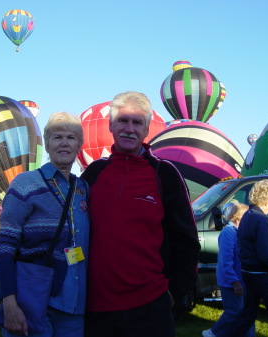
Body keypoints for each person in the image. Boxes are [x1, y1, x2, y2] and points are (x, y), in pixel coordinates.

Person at [81, 91, 200, 337]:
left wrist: (175, 294)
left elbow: (186, 239)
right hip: (97, 308)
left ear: (147, 130)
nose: (129, 129)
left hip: (150, 305)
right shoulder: (93, 174)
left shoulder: (164, 174)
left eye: (137, 123)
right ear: (111, 126)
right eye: (123, 121)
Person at [0, 111, 89, 337]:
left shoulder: (83, 189)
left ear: (79, 145)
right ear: (47, 145)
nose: (64, 143)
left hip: (74, 302)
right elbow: (6, 245)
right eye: (57, 137)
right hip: (35, 297)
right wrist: (8, 301)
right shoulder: (25, 183)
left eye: (71, 137)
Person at [223, 179, 268, 337]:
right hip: (261, 274)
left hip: (248, 271)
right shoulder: (261, 219)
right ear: (267, 200)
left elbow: (251, 241)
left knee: (248, 314)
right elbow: (267, 256)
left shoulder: (248, 215)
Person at [202, 203, 255, 337]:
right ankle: (213, 333)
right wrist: (234, 282)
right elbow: (226, 262)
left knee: (246, 312)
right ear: (238, 217)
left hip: (242, 280)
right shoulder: (228, 233)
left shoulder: (241, 231)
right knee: (234, 312)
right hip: (230, 282)